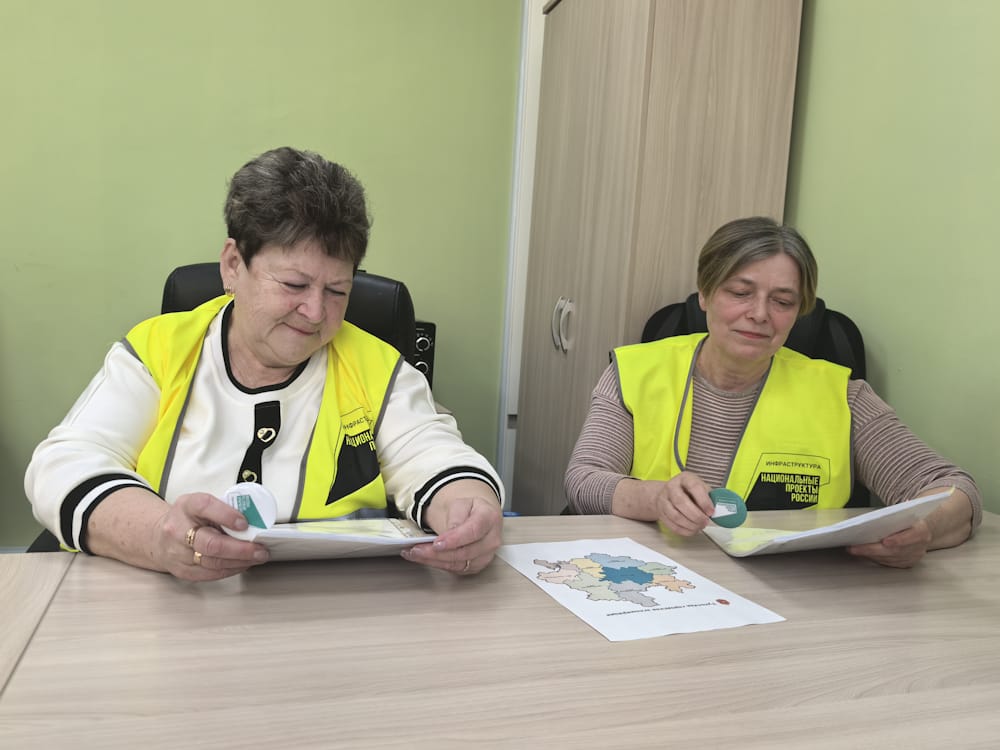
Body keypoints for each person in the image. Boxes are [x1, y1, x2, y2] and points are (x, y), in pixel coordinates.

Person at [25, 146, 504, 580]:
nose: (315, 312)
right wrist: (158, 535)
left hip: (334, 615)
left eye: (337, 291)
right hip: (166, 607)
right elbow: (64, 466)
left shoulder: (377, 369)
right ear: (234, 265)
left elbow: (438, 459)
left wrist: (469, 510)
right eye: (294, 285)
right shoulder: (160, 350)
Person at [564, 216, 980, 568]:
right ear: (705, 293)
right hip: (657, 578)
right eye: (740, 293)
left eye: (782, 301)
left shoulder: (843, 396)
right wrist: (655, 498)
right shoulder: (635, 372)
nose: (760, 314)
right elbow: (584, 481)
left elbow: (954, 489)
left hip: (794, 597)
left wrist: (923, 531)